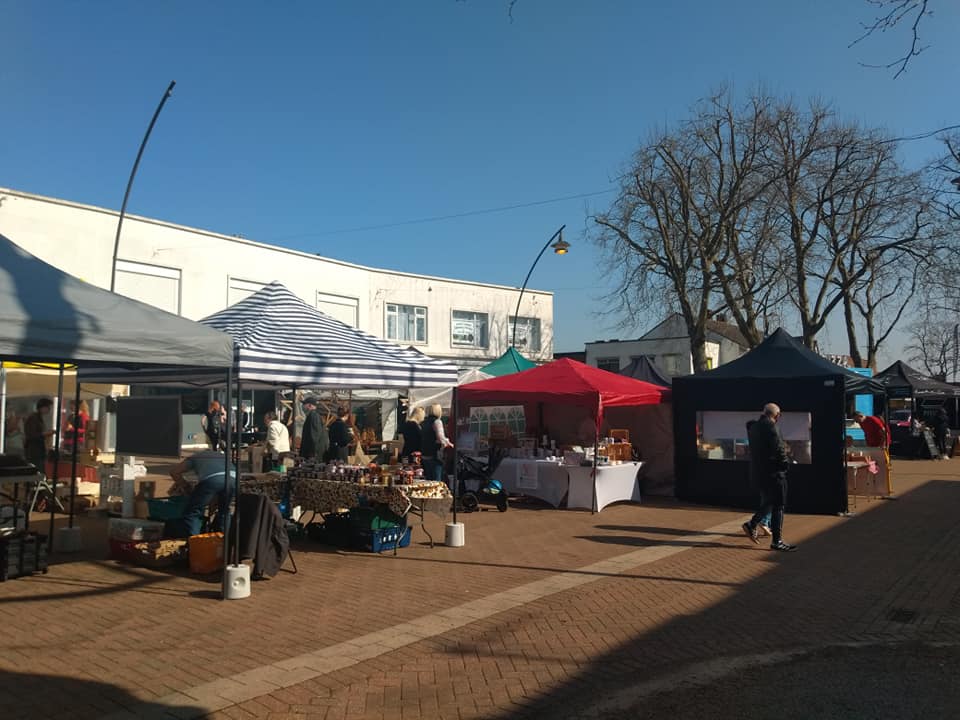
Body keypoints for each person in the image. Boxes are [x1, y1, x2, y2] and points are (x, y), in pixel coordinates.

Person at [742, 403, 796, 552]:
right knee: (779, 505)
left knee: (770, 501)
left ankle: (752, 524)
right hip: (774, 472)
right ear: (777, 415)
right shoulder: (772, 427)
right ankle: (776, 540)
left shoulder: (753, 427)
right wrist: (785, 465)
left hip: (759, 472)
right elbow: (779, 449)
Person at [169, 450, 236, 537]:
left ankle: (195, 541)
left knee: (192, 512)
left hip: (212, 479)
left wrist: (186, 486)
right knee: (224, 511)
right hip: (233, 479)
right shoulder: (221, 456)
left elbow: (174, 472)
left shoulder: (196, 457)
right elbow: (216, 495)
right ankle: (224, 540)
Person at [421, 403, 453, 483]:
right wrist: (449, 443)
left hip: (425, 454)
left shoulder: (424, 422)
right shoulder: (437, 422)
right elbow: (441, 438)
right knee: (437, 481)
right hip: (434, 454)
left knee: (428, 480)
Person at [23, 398, 54, 471]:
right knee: (36, 470)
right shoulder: (33, 418)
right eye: (48, 407)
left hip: (38, 449)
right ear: (42, 407)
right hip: (34, 450)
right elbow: (32, 435)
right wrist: (45, 434)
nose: (49, 410)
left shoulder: (38, 418)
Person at [299, 396, 329, 460]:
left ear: (309, 405)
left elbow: (314, 435)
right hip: (314, 452)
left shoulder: (313, 416)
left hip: (314, 453)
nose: (303, 406)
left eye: (304, 404)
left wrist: (312, 453)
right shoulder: (313, 415)